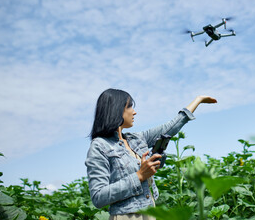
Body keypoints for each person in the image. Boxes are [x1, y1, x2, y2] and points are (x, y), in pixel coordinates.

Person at [85, 89, 217, 220]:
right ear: (117, 109)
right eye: (130, 106)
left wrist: (198, 100)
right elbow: (98, 197)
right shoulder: (100, 146)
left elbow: (171, 127)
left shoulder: (136, 139)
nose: (134, 112)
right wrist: (139, 176)